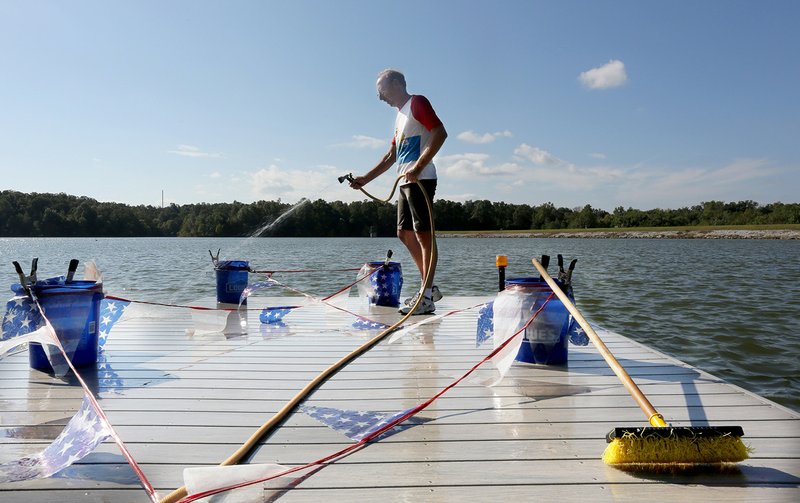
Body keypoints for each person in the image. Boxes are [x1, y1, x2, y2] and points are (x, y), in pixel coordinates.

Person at [350, 69, 447, 315]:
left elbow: (440, 132)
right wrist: (365, 179)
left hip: (421, 179)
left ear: (396, 84)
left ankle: (425, 297)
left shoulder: (418, 102)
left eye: (381, 91)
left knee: (423, 235)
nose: (380, 98)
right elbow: (391, 156)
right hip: (404, 181)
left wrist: (419, 166)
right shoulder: (399, 116)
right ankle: (430, 286)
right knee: (404, 234)